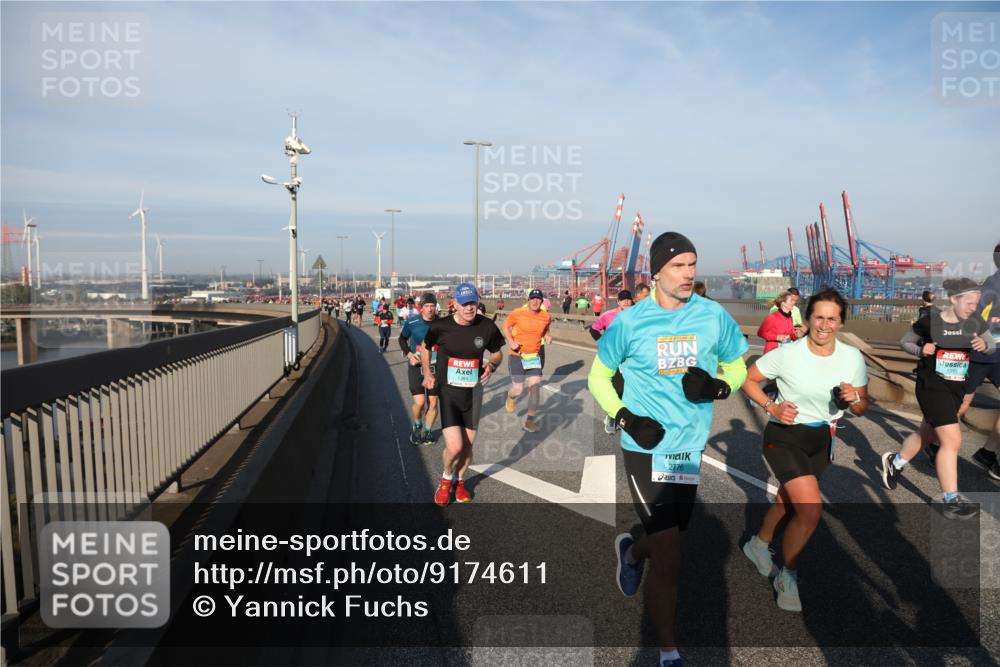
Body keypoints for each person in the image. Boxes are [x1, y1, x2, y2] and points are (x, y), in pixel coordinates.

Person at [588, 232, 748, 667]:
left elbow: (736, 365)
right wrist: (627, 419)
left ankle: (630, 550)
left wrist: (718, 386)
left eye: (693, 264)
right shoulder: (629, 322)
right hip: (645, 446)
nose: (689, 273)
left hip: (687, 447)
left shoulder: (713, 317)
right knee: (671, 555)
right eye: (679, 265)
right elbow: (598, 379)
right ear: (656, 271)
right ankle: (668, 652)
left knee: (670, 539)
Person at [740, 288, 869, 612]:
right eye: (819, 317)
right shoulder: (788, 354)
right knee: (810, 510)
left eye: (832, 318)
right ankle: (788, 575)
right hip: (784, 435)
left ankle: (759, 544)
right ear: (808, 319)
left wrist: (853, 398)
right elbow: (748, 379)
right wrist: (771, 406)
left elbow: (861, 408)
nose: (824, 324)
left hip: (822, 439)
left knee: (788, 500)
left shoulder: (852, 357)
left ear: (841, 323)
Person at [880, 277, 994, 519]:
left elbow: (992, 344)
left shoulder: (975, 322)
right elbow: (905, 342)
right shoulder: (930, 322)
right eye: (970, 303)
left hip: (956, 388)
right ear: (954, 299)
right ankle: (951, 500)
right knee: (952, 441)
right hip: (931, 385)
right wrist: (922, 350)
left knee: (927, 433)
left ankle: (896, 462)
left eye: (976, 303)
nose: (973, 307)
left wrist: (984, 345)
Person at [422, 283, 505, 506]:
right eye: (465, 304)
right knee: (455, 447)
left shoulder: (486, 327)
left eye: (473, 303)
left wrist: (491, 366)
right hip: (449, 392)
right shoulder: (441, 327)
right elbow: (425, 346)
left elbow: (497, 353)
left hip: (474, 393)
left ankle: (460, 482)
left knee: (468, 446)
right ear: (455, 304)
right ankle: (446, 479)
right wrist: (428, 372)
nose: (470, 308)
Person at [957, 242, 1000, 480]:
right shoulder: (992, 287)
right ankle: (929, 441)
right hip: (982, 355)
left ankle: (988, 453)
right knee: (961, 405)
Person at [503, 289, 553, 432]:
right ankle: (510, 397)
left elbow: (546, 329)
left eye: (538, 299)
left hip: (533, 357)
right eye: (533, 298)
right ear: (528, 300)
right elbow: (505, 326)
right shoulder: (518, 313)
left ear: (542, 301)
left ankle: (529, 421)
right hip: (517, 355)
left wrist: (548, 336)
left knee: (535, 388)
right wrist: (511, 341)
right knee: (518, 389)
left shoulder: (545, 316)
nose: (535, 301)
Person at [588, 289, 635, 434]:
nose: (626, 302)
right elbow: (594, 329)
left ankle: (629, 418)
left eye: (629, 299)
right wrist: (604, 344)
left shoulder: (637, 315)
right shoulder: (608, 316)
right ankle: (612, 416)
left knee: (631, 389)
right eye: (623, 299)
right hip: (613, 359)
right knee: (618, 388)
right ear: (618, 302)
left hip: (631, 359)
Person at [399, 292, 441, 446]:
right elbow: (402, 339)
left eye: (432, 306)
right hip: (416, 366)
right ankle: (417, 425)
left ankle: (428, 431)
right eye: (427, 306)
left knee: (433, 403)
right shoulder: (412, 322)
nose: (430, 309)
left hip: (435, 367)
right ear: (421, 308)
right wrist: (409, 354)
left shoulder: (442, 323)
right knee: (420, 403)